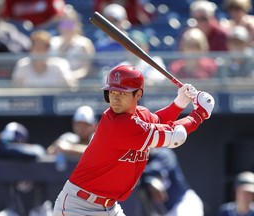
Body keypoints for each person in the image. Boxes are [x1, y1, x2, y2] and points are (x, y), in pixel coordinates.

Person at [52, 64, 215, 215]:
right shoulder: (116, 124)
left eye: (122, 93)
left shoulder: (139, 115)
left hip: (108, 207)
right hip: (79, 207)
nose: (115, 98)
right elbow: (175, 137)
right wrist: (200, 114)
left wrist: (180, 102)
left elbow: (158, 121)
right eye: (112, 92)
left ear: (138, 94)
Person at [0, 122, 52, 216]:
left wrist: (2, 148)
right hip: (14, 211)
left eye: (7, 141)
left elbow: (36, 152)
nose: (4, 144)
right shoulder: (5, 153)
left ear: (20, 140)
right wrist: (3, 149)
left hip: (39, 211)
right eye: (3, 142)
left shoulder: (34, 149)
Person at [138, 147, 204, 216]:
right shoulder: (139, 160)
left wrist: (148, 179)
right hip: (162, 212)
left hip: (184, 204)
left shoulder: (164, 154)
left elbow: (150, 171)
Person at [12, 30, 77, 88]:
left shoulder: (60, 64)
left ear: (48, 49)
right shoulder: (23, 64)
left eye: (44, 47)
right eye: (37, 47)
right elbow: (16, 89)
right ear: (31, 49)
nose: (40, 51)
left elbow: (71, 87)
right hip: (28, 101)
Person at [50, 5, 96, 81]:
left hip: (74, 85)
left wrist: (70, 77)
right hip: (52, 83)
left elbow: (86, 69)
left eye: (70, 24)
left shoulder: (84, 43)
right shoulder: (52, 41)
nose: (67, 27)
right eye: (64, 23)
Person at [1, 0, 65, 31]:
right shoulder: (10, 1)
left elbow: (58, 17)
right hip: (19, 35)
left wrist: (40, 28)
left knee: (69, 19)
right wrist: (20, 26)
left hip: (46, 33)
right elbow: (5, 18)